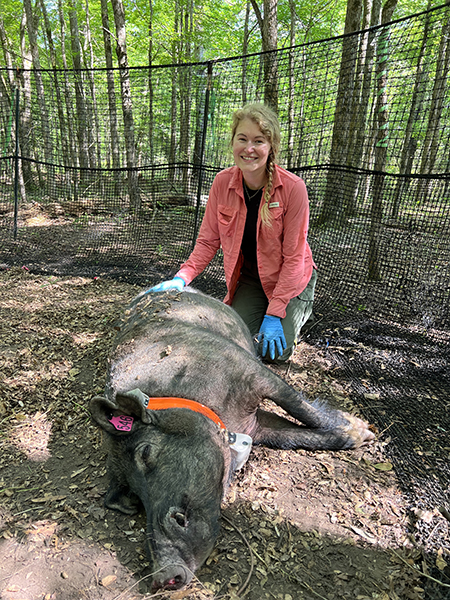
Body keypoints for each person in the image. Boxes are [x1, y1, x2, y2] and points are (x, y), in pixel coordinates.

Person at [148, 103, 317, 363]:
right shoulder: (222, 183)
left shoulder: (294, 189)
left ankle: (297, 311)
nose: (249, 149)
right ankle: (265, 311)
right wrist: (181, 278)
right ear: (233, 142)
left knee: (273, 352)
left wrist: (275, 312)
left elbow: (294, 259)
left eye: (258, 141)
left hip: (292, 281)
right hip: (251, 277)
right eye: (243, 139)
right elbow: (207, 241)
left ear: (271, 147)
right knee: (237, 344)